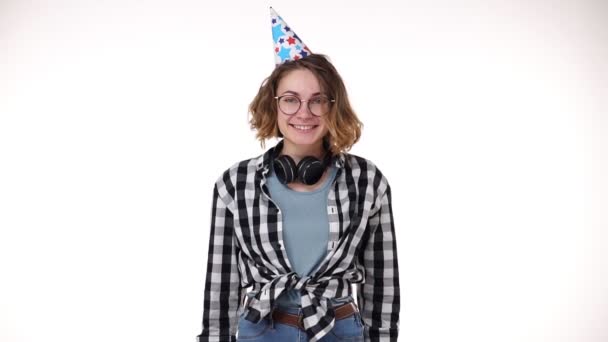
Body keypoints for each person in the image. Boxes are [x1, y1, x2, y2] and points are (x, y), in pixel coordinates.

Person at [197, 7, 400, 342]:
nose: (304, 113)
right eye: (290, 100)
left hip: (340, 330)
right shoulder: (234, 184)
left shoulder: (368, 181)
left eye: (317, 100)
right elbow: (221, 285)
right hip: (264, 330)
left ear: (334, 107)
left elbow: (383, 283)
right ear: (273, 105)